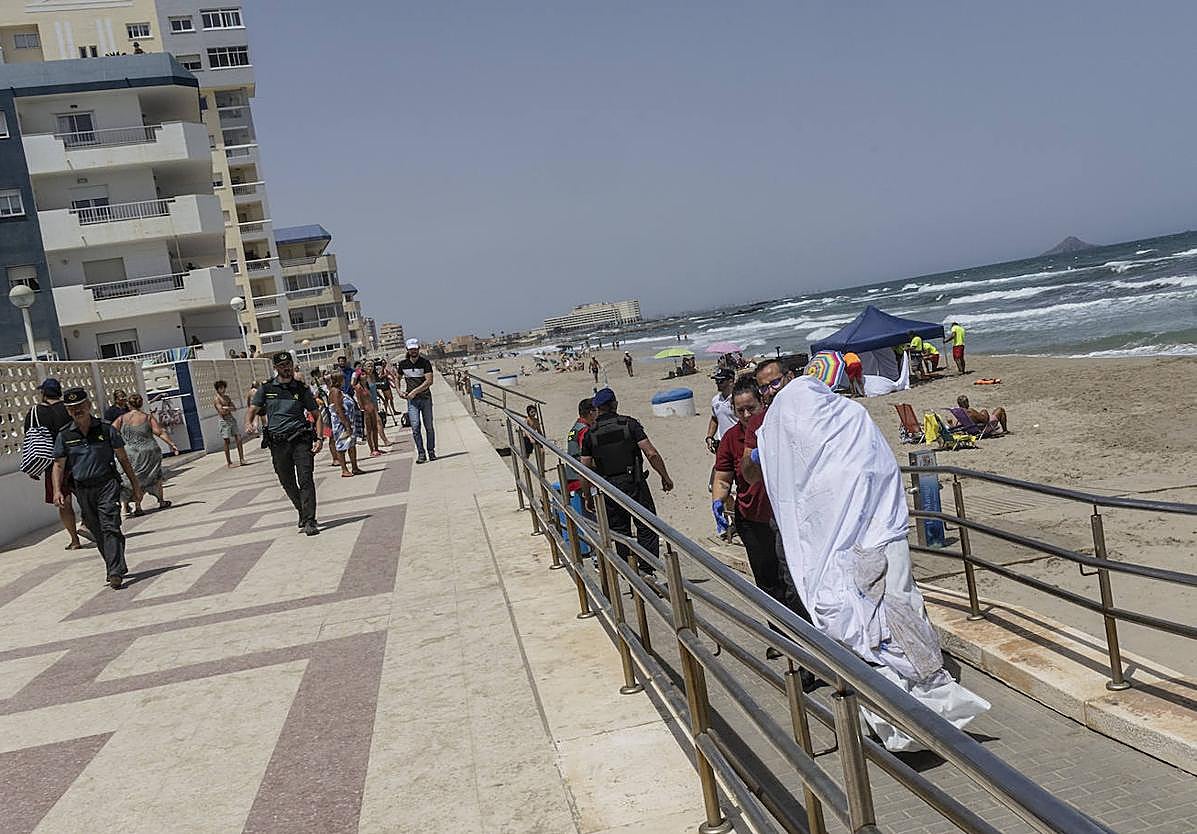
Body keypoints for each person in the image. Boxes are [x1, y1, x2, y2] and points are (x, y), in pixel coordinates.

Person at [755, 372, 991, 751]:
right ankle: (919, 715)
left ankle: (903, 719)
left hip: (849, 550)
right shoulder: (849, 421)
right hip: (882, 540)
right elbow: (871, 474)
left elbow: (805, 504)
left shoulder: (801, 441)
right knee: (898, 617)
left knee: (874, 627)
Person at [713, 379, 789, 658]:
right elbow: (722, 477)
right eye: (740, 410)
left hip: (784, 517)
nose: (746, 415)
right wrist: (718, 502)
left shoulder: (776, 426)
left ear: (762, 404)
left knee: (790, 579)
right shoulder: (731, 439)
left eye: (751, 408)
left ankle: (805, 636)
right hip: (752, 518)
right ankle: (780, 637)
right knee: (767, 581)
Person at [52, 388, 143, 589]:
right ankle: (115, 563)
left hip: (107, 484)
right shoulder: (65, 435)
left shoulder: (106, 429)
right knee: (96, 529)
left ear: (89, 406)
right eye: (72, 408)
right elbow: (58, 464)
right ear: (67, 411)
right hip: (83, 489)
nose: (77, 410)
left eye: (80, 406)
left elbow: (123, 458)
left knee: (110, 525)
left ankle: (114, 571)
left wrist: (135, 484)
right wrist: (57, 490)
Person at [580, 387, 673, 575]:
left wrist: (587, 496)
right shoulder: (629, 424)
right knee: (646, 527)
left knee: (620, 532)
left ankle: (630, 573)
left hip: (608, 488)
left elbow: (584, 468)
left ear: (598, 408)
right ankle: (647, 570)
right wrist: (665, 476)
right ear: (614, 404)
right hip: (634, 484)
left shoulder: (591, 434)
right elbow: (651, 453)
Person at [245, 351, 324, 536]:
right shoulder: (266, 388)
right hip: (278, 442)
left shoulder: (301, 389)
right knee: (286, 481)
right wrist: (248, 423)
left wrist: (320, 438)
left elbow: (317, 415)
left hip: (300, 439)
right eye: (282, 366)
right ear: (276, 368)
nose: (286, 368)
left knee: (305, 479)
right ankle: (302, 511)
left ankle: (310, 520)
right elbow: (253, 409)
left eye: (288, 364)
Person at [25, 378, 86, 550]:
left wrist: (33, 466)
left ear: (43, 393)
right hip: (76, 457)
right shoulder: (69, 408)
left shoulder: (35, 412)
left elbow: (31, 440)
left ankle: (74, 540)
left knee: (63, 501)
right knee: (86, 495)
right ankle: (86, 524)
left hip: (53, 464)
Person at [113, 394, 178, 516]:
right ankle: (161, 500)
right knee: (155, 476)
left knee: (131, 479)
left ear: (128, 404)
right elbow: (159, 432)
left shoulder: (121, 419)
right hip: (149, 452)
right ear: (141, 404)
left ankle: (130, 506)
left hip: (130, 453)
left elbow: (111, 431)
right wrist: (171, 443)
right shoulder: (147, 418)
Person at [397, 338, 436, 463]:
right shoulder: (403, 364)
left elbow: (429, 381)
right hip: (412, 401)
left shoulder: (425, 363)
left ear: (418, 349)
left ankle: (431, 451)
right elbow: (397, 378)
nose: (413, 351)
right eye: (411, 349)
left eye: (415, 348)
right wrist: (399, 391)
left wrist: (415, 391)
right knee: (415, 427)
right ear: (407, 350)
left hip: (425, 399)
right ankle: (421, 453)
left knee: (429, 426)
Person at [324, 371, 365, 477]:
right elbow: (338, 410)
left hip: (349, 422)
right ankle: (344, 469)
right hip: (341, 424)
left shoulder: (340, 391)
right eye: (342, 379)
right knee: (342, 446)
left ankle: (355, 467)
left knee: (351, 445)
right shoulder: (335, 392)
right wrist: (347, 425)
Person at [565, 397, 597, 501]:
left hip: (573, 478)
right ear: (591, 412)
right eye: (597, 410)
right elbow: (587, 458)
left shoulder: (576, 428)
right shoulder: (585, 431)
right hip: (582, 482)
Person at [213, 380, 246, 467]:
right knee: (227, 441)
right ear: (217, 389)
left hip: (231, 419)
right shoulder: (217, 399)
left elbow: (234, 408)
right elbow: (221, 411)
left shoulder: (227, 398)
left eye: (223, 388)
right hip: (224, 421)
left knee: (238, 438)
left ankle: (241, 458)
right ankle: (229, 462)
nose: (223, 390)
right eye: (220, 388)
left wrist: (227, 407)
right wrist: (227, 408)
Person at [705, 369, 736, 454]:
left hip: (738, 442)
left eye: (720, 381)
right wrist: (709, 436)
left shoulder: (738, 398)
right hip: (722, 444)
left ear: (731, 381)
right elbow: (714, 419)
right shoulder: (715, 400)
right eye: (716, 380)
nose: (717, 383)